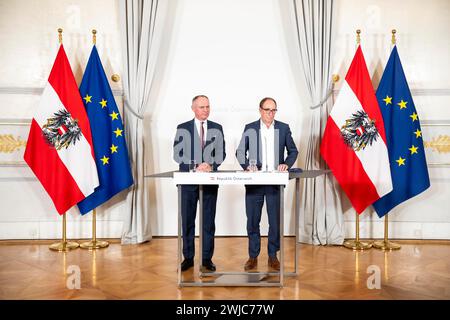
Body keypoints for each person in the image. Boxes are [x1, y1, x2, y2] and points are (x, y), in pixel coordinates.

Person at [236, 97, 298, 271]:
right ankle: (253, 256)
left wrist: (286, 163)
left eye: (274, 110)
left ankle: (273, 255)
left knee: (275, 221)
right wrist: (247, 166)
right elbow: (240, 152)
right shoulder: (250, 128)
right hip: (254, 183)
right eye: (267, 110)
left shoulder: (283, 128)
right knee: (253, 221)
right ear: (260, 110)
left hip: (275, 182)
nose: (270, 114)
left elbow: (293, 151)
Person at [173, 95, 226, 272]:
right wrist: (196, 165)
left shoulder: (217, 128)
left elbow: (221, 153)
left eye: (208, 106)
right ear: (193, 108)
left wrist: (210, 165)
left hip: (210, 183)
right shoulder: (183, 128)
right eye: (202, 107)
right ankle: (188, 258)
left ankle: (206, 259)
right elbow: (177, 155)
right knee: (187, 221)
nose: (206, 110)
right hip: (187, 183)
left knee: (208, 222)